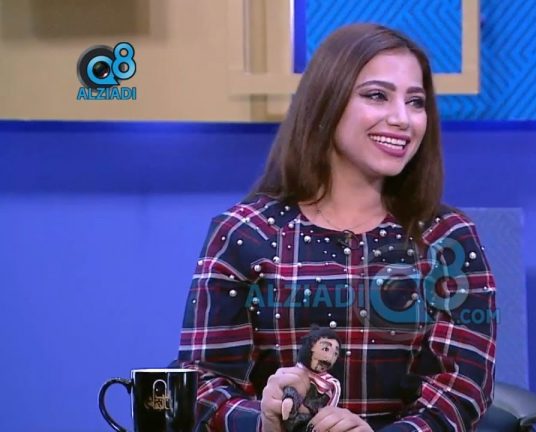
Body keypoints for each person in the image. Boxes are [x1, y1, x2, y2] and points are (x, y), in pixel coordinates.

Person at [177, 23, 497, 432]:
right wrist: (263, 421)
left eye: (415, 102)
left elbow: (463, 388)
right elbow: (202, 384)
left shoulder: (448, 238)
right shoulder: (244, 233)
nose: (402, 119)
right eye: (377, 95)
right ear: (327, 101)